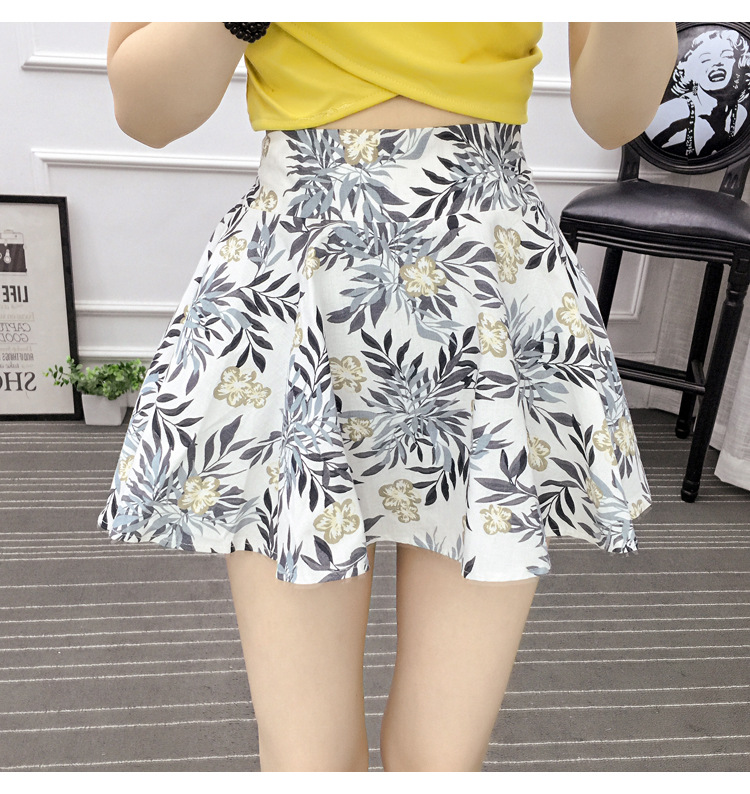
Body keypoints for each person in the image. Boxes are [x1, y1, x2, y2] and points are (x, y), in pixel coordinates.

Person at [100, 22, 678, 772]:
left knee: (443, 760)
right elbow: (146, 110)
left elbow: (614, 115)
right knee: (309, 761)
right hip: (302, 281)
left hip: (482, 277)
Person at [646, 26, 750, 157]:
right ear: (690, 68)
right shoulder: (669, 112)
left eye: (727, 56)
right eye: (706, 59)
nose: (718, 63)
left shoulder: (740, 112)